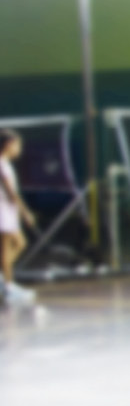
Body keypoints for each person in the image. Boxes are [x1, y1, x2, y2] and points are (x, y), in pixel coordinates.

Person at [0, 129, 36, 307]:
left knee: (20, 243)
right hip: (3, 212)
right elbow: (11, 193)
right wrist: (25, 212)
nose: (19, 149)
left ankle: (5, 281)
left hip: (8, 212)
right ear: (8, 145)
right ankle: (8, 287)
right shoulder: (1, 165)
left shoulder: (6, 164)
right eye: (17, 145)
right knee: (6, 250)